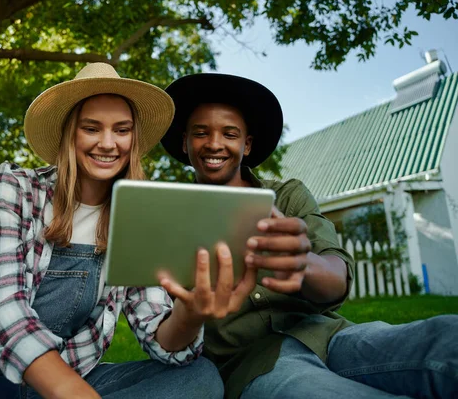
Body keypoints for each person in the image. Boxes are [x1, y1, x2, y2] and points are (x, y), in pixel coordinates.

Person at [0, 63, 258, 399]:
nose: (108, 143)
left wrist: (189, 313)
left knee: (199, 379)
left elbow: (160, 336)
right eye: (92, 128)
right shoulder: (13, 189)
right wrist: (73, 394)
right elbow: (1, 307)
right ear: (70, 133)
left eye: (121, 130)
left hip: (78, 379)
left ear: (133, 139)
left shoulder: (139, 216)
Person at [160, 72, 458, 399]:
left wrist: (303, 263)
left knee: (447, 338)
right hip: (252, 365)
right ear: (185, 143)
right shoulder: (167, 218)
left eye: (229, 134)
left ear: (246, 145)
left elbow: (337, 277)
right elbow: (162, 333)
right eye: (201, 133)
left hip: (331, 336)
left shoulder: (287, 196)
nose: (215, 143)